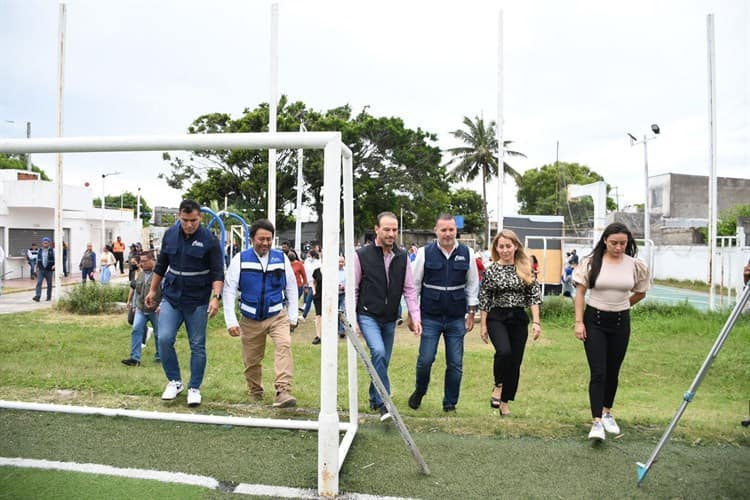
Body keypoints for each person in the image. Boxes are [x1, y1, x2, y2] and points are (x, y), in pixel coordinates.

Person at [572, 222, 649, 442]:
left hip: (620, 322)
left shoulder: (635, 265)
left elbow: (640, 292)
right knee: (599, 371)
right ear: (605, 240)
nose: (618, 247)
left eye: (623, 243)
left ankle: (607, 412)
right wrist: (579, 322)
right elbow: (580, 293)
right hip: (594, 321)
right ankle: (596, 422)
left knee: (613, 370)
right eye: (614, 243)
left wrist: (622, 305)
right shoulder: (591, 263)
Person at [145, 199, 224, 408]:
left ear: (201, 218)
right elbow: (161, 265)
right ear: (179, 217)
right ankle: (175, 381)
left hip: (197, 299)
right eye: (185, 220)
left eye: (194, 220)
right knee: (163, 338)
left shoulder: (209, 240)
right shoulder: (170, 234)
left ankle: (194, 388)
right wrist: (153, 290)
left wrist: (215, 298)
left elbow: (217, 272)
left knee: (197, 345)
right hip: (172, 296)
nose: (189, 225)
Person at [223, 219, 298, 408]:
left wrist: (293, 315)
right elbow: (229, 290)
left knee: (284, 345)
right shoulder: (240, 259)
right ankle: (255, 391)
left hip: (277, 315)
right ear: (251, 239)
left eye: (269, 239)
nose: (265, 243)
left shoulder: (281, 259)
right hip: (249, 318)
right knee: (252, 360)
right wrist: (231, 321)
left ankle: (283, 391)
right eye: (261, 239)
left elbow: (291, 287)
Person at [354, 211, 422, 421]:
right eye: (387, 229)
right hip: (368, 314)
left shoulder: (402, 257)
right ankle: (385, 403)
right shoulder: (361, 255)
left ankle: (375, 399)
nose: (391, 233)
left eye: (394, 229)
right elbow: (354, 288)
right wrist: (353, 319)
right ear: (377, 229)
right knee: (379, 352)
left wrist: (415, 316)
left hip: (390, 317)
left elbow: (409, 289)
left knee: (382, 359)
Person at [408, 214, 479, 412]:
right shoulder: (424, 253)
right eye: (443, 230)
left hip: (456, 317)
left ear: (456, 230)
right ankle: (420, 391)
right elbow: (414, 285)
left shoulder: (468, 253)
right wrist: (413, 315)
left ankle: (450, 404)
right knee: (425, 360)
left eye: (451, 230)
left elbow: (473, 284)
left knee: (455, 364)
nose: (448, 234)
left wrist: (471, 312)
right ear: (436, 231)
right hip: (430, 316)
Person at [479, 229, 542, 416]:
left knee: (515, 362)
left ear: (515, 246)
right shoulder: (491, 270)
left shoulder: (525, 268)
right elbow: (485, 299)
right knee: (504, 352)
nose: (505, 250)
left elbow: (534, 297)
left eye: (508, 246)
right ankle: (498, 385)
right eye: (501, 246)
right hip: (497, 317)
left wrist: (536, 322)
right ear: (496, 249)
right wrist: (483, 325)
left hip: (518, 318)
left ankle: (505, 402)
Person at [122, 251, 161, 366]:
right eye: (141, 261)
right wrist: (133, 306)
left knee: (159, 334)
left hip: (155, 310)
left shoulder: (160, 274)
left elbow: (167, 292)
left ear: (152, 260)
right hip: (140, 308)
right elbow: (136, 292)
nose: (141, 264)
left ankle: (160, 356)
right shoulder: (141, 274)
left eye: (144, 261)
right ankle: (135, 359)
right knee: (136, 330)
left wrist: (161, 305)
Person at [33, 237, 55, 302]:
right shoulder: (40, 250)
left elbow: (56, 259)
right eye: (44, 243)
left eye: (46, 243)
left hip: (49, 269)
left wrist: (55, 265)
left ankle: (48, 297)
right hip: (41, 269)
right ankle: (37, 296)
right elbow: (37, 259)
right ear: (42, 243)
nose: (45, 244)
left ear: (49, 243)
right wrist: (35, 268)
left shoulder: (52, 250)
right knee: (39, 282)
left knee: (49, 284)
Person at [288, 249, 308, 318]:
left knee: (295, 301)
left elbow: (304, 275)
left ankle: (294, 316)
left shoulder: (299, 264)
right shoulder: (287, 264)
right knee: (289, 302)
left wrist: (305, 285)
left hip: (298, 286)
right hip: (289, 286)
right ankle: (289, 315)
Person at [302, 249, 321, 320]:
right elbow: (305, 271)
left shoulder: (317, 262)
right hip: (308, 283)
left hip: (314, 284)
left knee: (309, 300)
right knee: (308, 300)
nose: (307, 255)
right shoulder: (307, 261)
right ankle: (307, 315)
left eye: (309, 254)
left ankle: (304, 316)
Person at [311, 264, 323, 345]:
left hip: (329, 296)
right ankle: (318, 336)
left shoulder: (332, 270)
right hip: (318, 296)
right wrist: (314, 291)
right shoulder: (317, 271)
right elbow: (314, 282)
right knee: (318, 315)